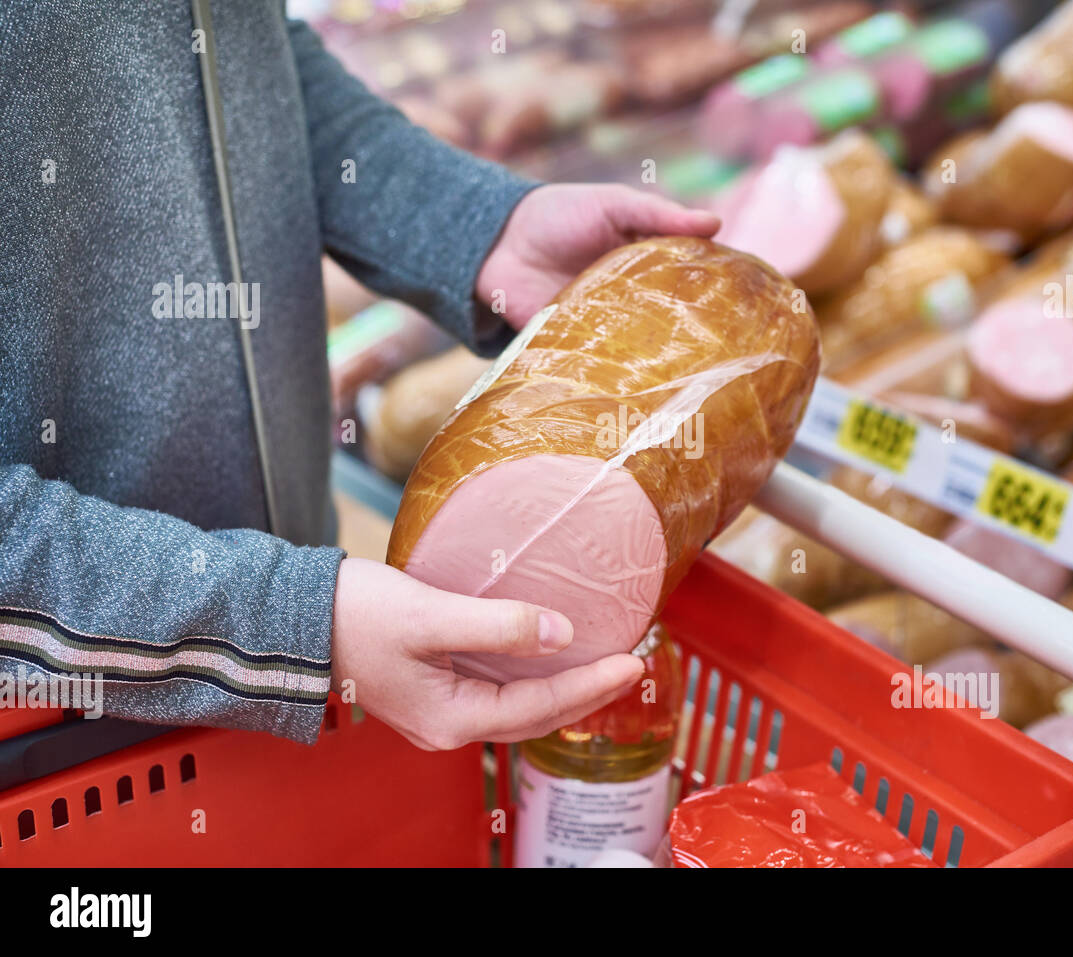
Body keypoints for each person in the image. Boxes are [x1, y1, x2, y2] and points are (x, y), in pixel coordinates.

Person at [0, 2, 720, 750]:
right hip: (44, 739)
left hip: (282, 666)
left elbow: (239, 55)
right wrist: (297, 620)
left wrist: (475, 227)